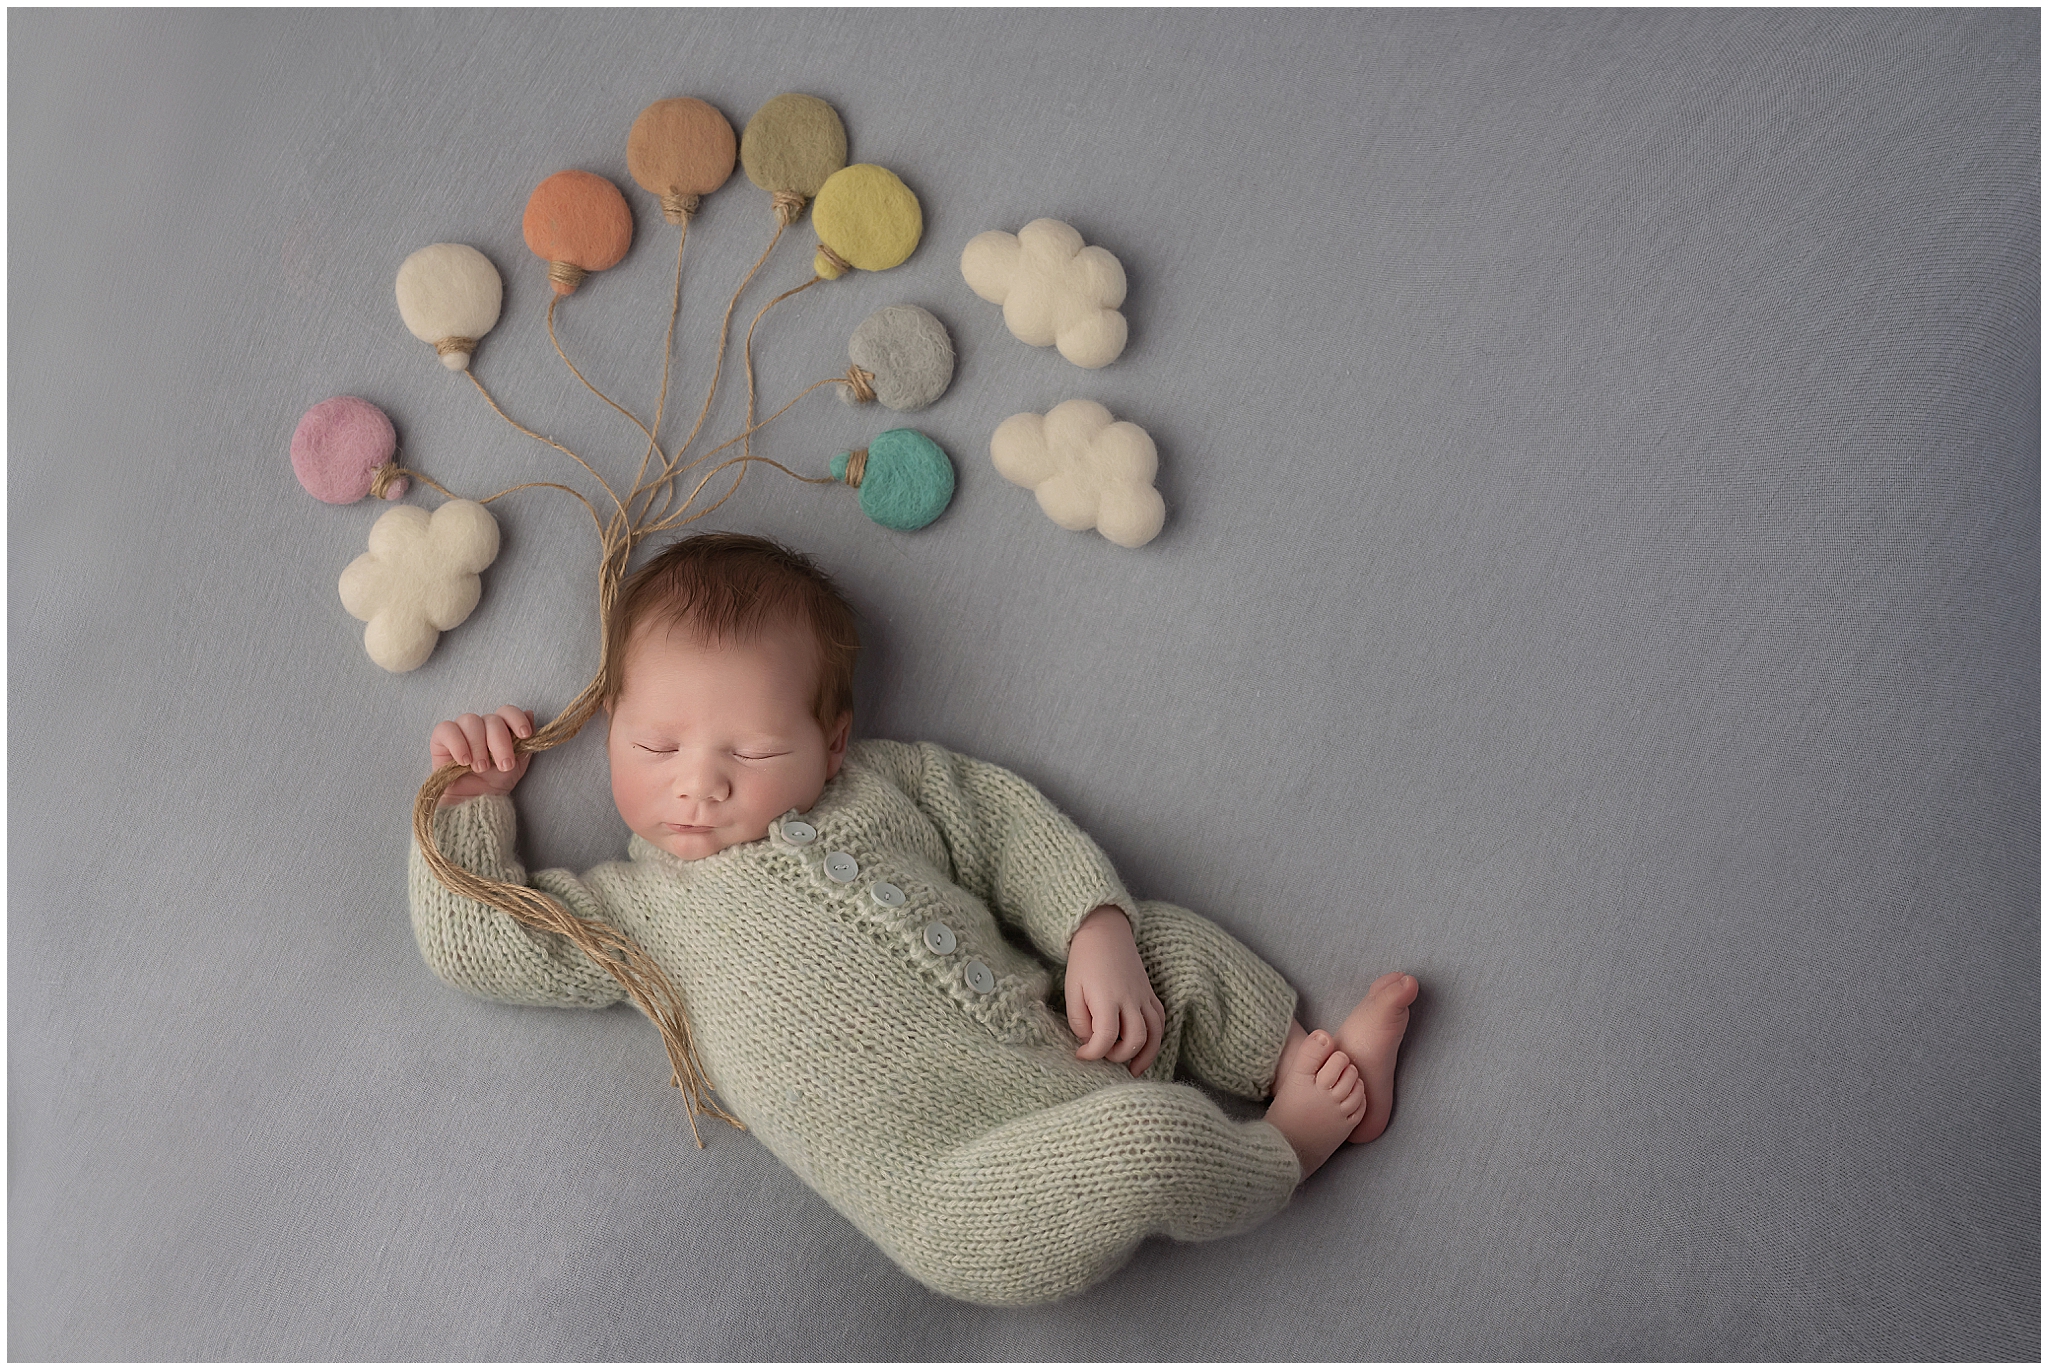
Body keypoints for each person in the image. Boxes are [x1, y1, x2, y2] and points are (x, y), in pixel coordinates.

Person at [410, 531, 1419, 1306]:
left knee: (1162, 948)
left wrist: (1092, 928)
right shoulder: (640, 912)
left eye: (749, 752)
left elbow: (1013, 835)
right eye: (655, 744)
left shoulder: (895, 784)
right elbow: (485, 942)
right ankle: (1285, 1147)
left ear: (831, 740)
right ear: (612, 728)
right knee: (1148, 1145)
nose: (699, 785)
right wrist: (467, 802)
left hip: (1088, 1041)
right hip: (959, 1194)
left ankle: (1293, 1054)